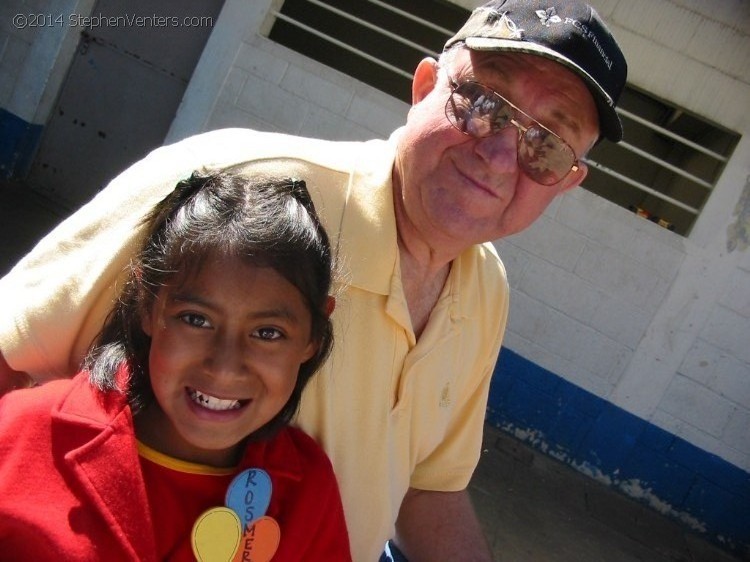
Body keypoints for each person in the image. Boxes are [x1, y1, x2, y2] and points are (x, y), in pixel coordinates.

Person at [0, 1, 627, 560]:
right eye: (485, 104)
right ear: (426, 86)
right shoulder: (239, 188)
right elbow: (11, 354)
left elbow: (428, 489)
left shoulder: (484, 289)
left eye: (545, 145)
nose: (496, 156)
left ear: (566, 179)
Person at [0, 172, 352, 561]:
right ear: (149, 305)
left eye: (268, 333)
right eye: (196, 320)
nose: (224, 367)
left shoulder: (306, 493)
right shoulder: (22, 430)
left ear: (313, 336)